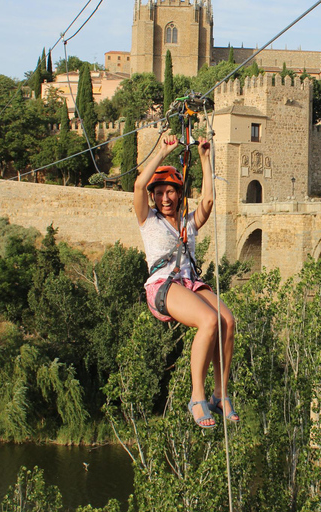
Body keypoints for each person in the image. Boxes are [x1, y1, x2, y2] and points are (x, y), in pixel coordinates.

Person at [134, 132, 238, 429]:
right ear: (153, 197)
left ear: (179, 194)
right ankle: (197, 396)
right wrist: (163, 153)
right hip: (163, 287)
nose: (165, 198)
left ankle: (220, 393)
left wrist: (206, 158)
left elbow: (208, 201)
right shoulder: (148, 221)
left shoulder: (188, 223)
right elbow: (139, 184)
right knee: (208, 321)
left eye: (171, 192)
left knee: (227, 322)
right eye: (159, 193)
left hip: (188, 284)